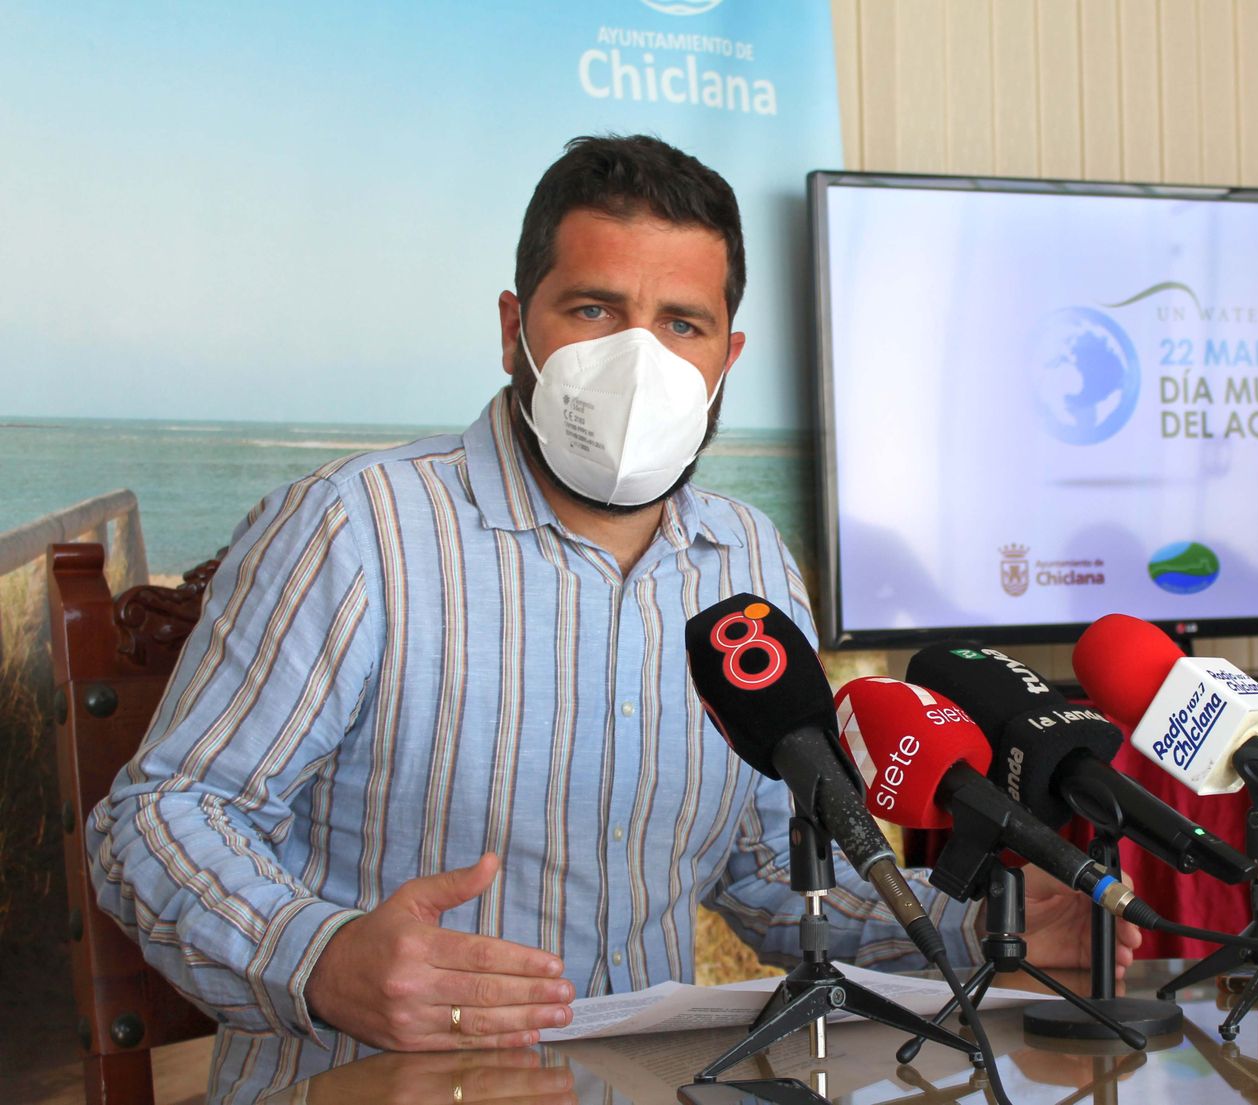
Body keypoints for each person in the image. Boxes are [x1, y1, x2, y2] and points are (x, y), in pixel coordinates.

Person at [86, 135, 1138, 1088]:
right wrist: (317, 958)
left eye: (682, 323)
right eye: (593, 311)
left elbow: (771, 870)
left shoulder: (749, 562)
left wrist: (984, 930)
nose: (639, 362)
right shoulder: (355, 529)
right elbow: (157, 817)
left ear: (727, 357)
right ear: (515, 329)